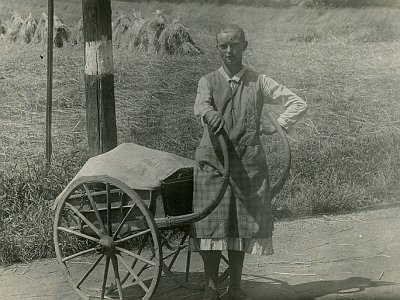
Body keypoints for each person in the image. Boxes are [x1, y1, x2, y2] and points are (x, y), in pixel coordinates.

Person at [190, 24, 307, 300]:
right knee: (211, 225)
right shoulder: (207, 81)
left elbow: (297, 103)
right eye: (223, 46)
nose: (229, 51)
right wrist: (209, 114)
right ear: (217, 49)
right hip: (213, 164)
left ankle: (235, 287)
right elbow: (201, 105)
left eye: (234, 44)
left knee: (241, 226)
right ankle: (210, 287)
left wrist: (278, 124)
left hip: (247, 164)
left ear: (245, 45)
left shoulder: (259, 81)